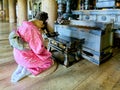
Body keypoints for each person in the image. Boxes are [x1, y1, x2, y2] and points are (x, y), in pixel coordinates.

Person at [9, 12, 54, 82]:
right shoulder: (34, 30)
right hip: (26, 58)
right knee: (49, 61)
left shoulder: (25, 23)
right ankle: (27, 70)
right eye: (42, 24)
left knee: (30, 54)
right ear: (41, 22)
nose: (41, 26)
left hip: (17, 55)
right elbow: (38, 50)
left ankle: (21, 66)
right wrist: (43, 43)